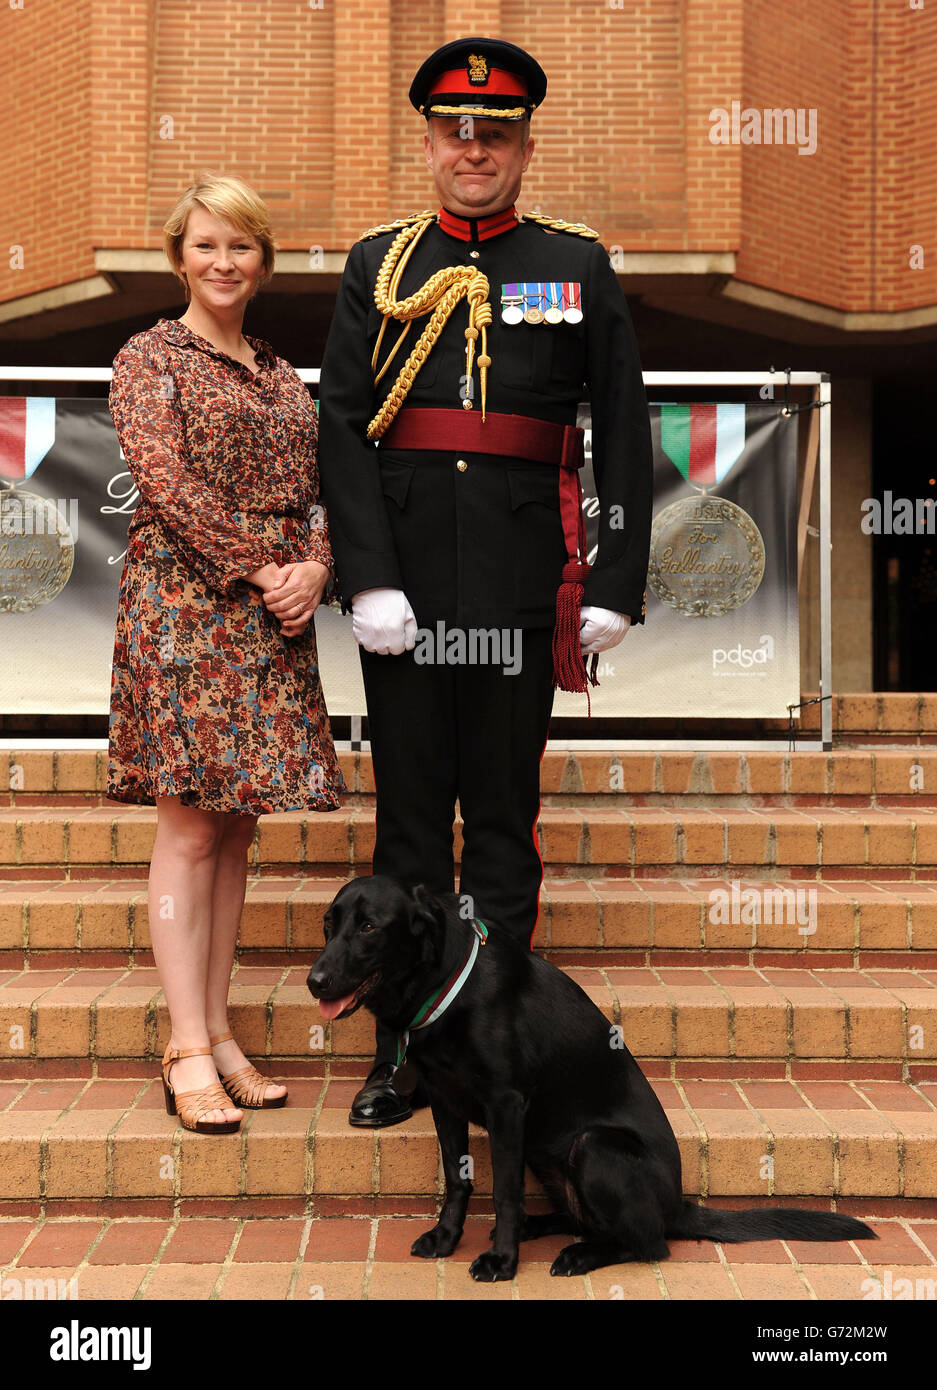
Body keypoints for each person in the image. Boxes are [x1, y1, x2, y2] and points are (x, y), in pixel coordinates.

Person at [317, 38, 652, 1127]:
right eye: (455, 132)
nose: (474, 150)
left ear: (523, 145)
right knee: (410, 824)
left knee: (502, 819)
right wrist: (367, 576)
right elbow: (342, 426)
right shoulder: (380, 262)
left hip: (520, 584)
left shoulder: (577, 261)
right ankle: (403, 1055)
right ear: (427, 142)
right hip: (406, 586)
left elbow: (623, 424)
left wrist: (616, 576)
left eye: (494, 133)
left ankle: (499, 1045)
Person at [107, 173, 345, 1133]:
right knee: (191, 829)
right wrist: (263, 567)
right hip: (185, 609)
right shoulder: (147, 356)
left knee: (239, 828)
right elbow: (163, 481)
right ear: (179, 258)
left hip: (273, 617)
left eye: (241, 246)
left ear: (263, 261)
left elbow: (320, 488)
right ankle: (184, 1044)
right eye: (205, 245)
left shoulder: (283, 373)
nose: (223, 262)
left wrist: (316, 567)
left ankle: (220, 1028)